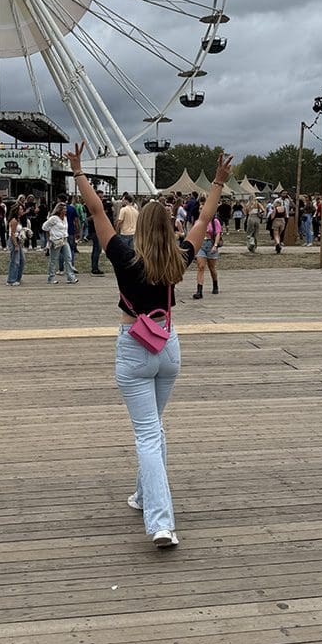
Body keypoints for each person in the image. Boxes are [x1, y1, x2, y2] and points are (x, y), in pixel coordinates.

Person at [66, 141, 233, 548]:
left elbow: (97, 212)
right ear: (170, 227)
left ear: (140, 227)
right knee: (154, 429)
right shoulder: (179, 257)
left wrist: (79, 172)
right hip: (167, 347)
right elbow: (205, 217)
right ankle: (143, 497)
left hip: (134, 348)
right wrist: (217, 182)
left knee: (146, 435)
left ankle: (161, 522)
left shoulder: (124, 257)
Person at [192, 199, 222, 298]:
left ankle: (215, 284)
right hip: (200, 244)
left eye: (203, 209)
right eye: (200, 209)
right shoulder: (197, 222)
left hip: (210, 244)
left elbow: (218, 234)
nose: (201, 210)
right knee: (201, 266)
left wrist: (215, 245)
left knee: (211, 267)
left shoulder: (214, 221)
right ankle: (199, 291)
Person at [42, 203, 78, 285]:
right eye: (64, 209)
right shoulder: (54, 218)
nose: (66, 210)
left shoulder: (65, 218)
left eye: (66, 209)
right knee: (53, 259)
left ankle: (71, 277)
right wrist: (50, 236)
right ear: (59, 210)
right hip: (56, 241)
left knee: (68, 258)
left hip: (64, 240)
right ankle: (51, 278)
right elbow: (44, 227)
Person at [6, 202, 28, 286]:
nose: (22, 210)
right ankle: (11, 280)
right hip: (14, 241)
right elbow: (12, 234)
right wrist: (15, 245)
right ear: (16, 211)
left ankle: (17, 278)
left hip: (18, 241)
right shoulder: (14, 221)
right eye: (21, 209)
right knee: (15, 261)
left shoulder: (18, 220)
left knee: (22, 260)